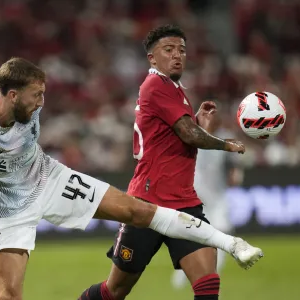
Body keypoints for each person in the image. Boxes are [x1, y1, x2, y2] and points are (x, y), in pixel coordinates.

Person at [0, 57, 261, 300]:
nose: (41, 103)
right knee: (9, 295)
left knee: (136, 210)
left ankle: (232, 244)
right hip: (7, 209)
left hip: (49, 179)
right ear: (12, 96)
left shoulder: (27, 106)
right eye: (36, 95)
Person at [81, 25, 263, 300]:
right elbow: (189, 134)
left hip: (184, 203)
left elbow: (183, 136)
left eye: (182, 50)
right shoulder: (156, 85)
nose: (177, 55)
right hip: (147, 204)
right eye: (169, 50)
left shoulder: (175, 90)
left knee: (208, 285)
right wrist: (225, 144)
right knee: (115, 291)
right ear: (152, 58)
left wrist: (199, 124)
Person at [171, 103, 244, 289]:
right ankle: (181, 274)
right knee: (191, 236)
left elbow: (235, 169)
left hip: (217, 197)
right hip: (196, 196)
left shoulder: (223, 138)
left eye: (214, 115)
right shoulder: (192, 135)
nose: (211, 119)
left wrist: (235, 173)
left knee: (220, 235)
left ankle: (211, 275)